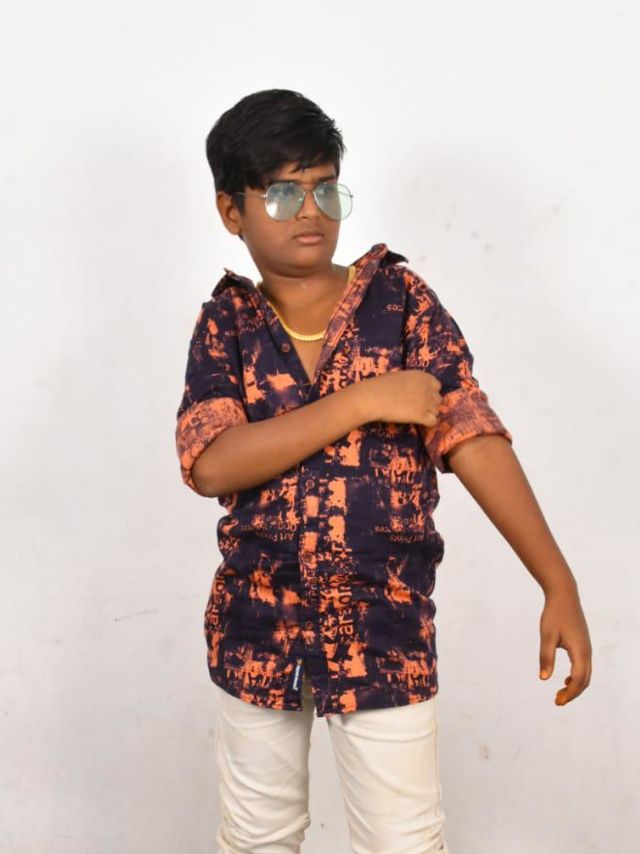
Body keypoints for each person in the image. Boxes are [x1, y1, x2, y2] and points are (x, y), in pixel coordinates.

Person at [174, 89, 592, 854]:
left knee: (404, 839)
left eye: (326, 188)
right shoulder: (226, 323)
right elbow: (212, 462)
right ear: (232, 210)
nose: (310, 210)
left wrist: (555, 579)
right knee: (257, 836)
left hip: (383, 625)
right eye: (283, 193)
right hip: (257, 627)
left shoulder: (399, 304)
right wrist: (362, 400)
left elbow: (473, 436)